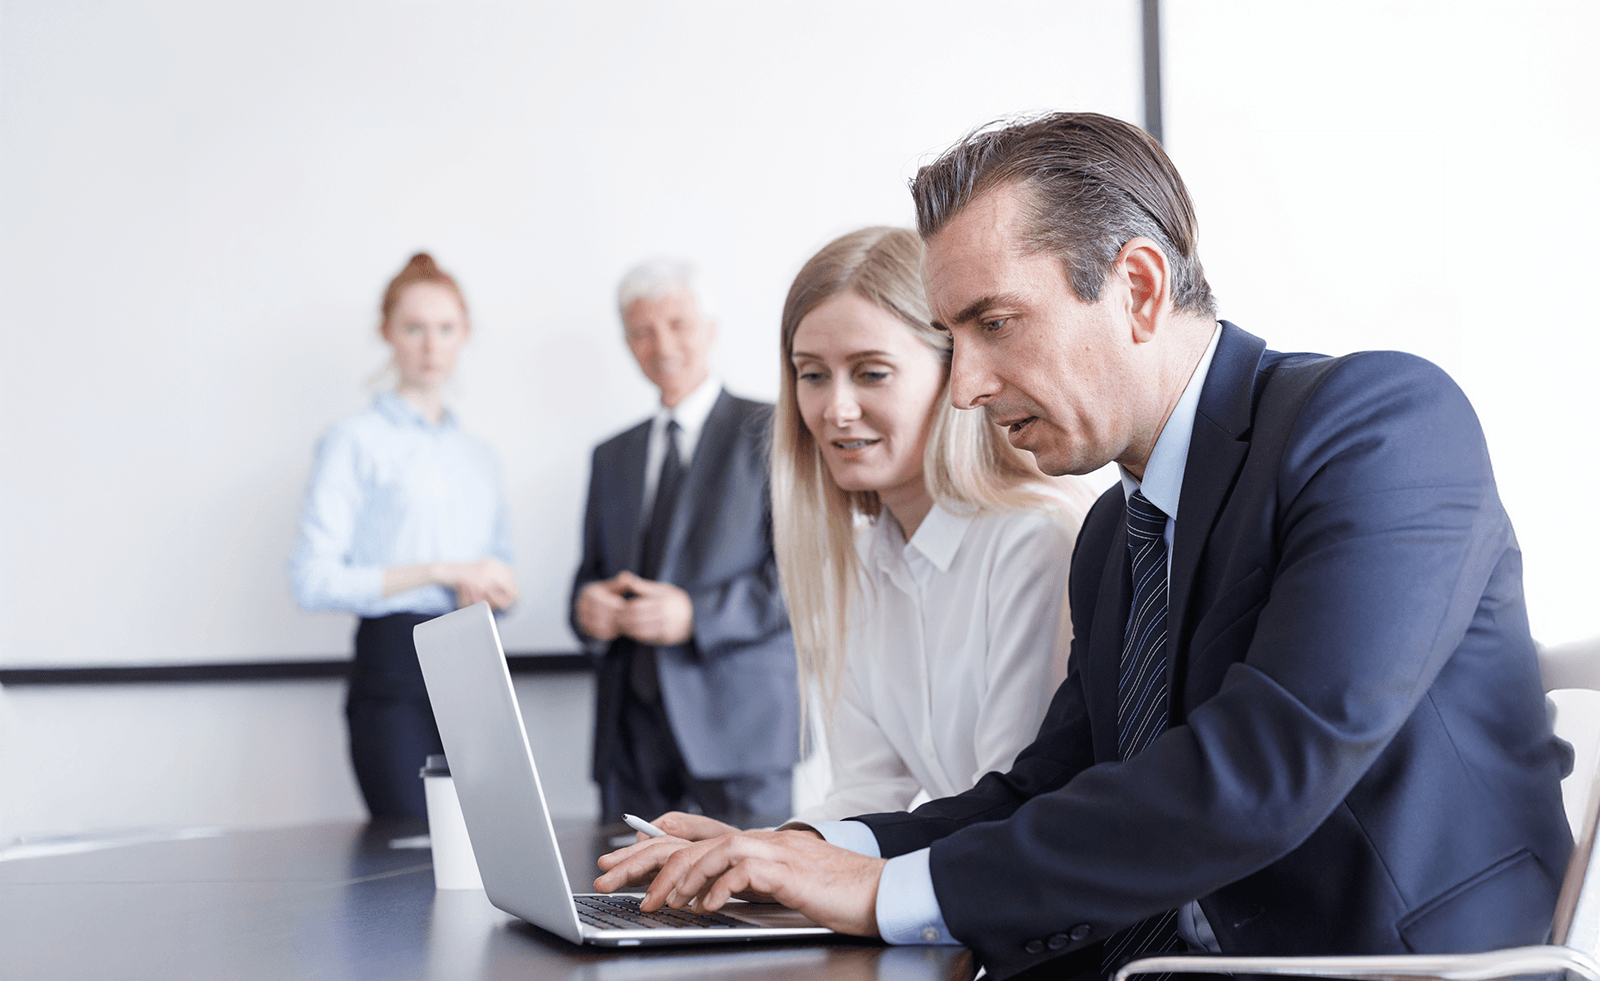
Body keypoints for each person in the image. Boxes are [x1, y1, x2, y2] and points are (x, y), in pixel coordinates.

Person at [594, 113, 1573, 980]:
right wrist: (806, 849)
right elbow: (1039, 788)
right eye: (947, 336)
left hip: (1387, 967)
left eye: (993, 324)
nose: (965, 387)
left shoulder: (1377, 428)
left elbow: (1258, 775)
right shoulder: (1116, 530)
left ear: (1138, 289)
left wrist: (882, 893)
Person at [648, 226, 1096, 843]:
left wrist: (783, 862)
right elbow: (867, 788)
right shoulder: (863, 556)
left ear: (952, 375)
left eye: (871, 373)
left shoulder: (1031, 541)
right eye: (812, 375)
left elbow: (1006, 802)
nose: (835, 409)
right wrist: (756, 853)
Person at [571, 259, 797, 827]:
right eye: (642, 331)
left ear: (710, 328)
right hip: (630, 730)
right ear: (626, 341)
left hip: (740, 727)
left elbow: (803, 577)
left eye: (678, 323)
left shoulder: (775, 431)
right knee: (632, 901)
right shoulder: (610, 455)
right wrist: (587, 609)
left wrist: (694, 615)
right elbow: (589, 573)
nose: (661, 344)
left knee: (756, 902)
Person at [291, 252, 517, 820]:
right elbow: (312, 581)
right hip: (394, 664)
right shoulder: (353, 442)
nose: (430, 345)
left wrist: (496, 590)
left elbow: (501, 570)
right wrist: (441, 570)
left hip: (475, 664)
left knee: (480, 859)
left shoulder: (479, 456)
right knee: (407, 853)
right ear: (386, 333)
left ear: (465, 335)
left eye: (445, 329)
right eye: (414, 328)